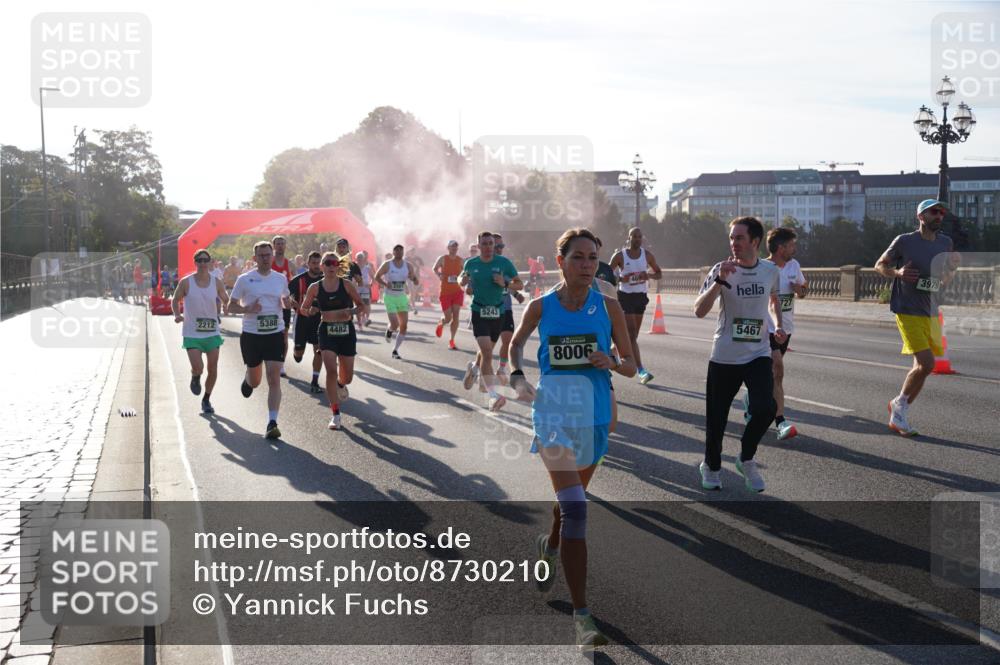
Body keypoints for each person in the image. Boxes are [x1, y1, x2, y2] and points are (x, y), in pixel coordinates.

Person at [508, 227, 635, 650]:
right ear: (560, 261)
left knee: (570, 503)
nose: (586, 265)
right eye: (578, 257)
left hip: (595, 417)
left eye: (592, 258)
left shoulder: (610, 306)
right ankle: (583, 617)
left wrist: (611, 361)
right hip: (554, 417)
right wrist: (518, 375)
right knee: (577, 508)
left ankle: (550, 542)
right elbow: (516, 344)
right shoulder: (542, 306)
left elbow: (633, 365)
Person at [694, 217, 783, 493]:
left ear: (754, 242)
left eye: (739, 238)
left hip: (758, 353)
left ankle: (746, 458)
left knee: (766, 408)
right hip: (725, 355)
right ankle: (711, 466)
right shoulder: (721, 270)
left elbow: (773, 300)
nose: (733, 243)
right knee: (717, 419)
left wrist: (778, 324)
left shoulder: (769, 270)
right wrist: (719, 281)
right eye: (731, 238)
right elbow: (698, 310)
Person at [875, 199, 961, 437]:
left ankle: (899, 406)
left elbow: (943, 281)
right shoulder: (904, 241)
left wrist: (952, 269)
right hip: (907, 308)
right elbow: (879, 265)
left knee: (922, 368)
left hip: (931, 310)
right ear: (921, 216)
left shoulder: (945, 243)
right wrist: (898, 272)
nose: (939, 216)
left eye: (942, 212)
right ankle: (900, 408)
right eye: (934, 212)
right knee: (927, 364)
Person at [746, 227, 808, 441]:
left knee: (770, 376)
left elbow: (804, 290)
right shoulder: (763, 268)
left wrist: (799, 288)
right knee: (778, 370)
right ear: (781, 248)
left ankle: (750, 399)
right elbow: (768, 302)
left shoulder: (794, 266)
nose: (794, 248)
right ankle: (780, 421)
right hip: (768, 329)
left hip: (786, 329)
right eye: (791, 245)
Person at [226, 241, 290, 440]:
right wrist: (248, 309)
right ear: (255, 258)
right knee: (255, 381)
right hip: (252, 336)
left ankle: (272, 422)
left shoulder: (280, 278)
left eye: (268, 255)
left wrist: (289, 303)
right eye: (261, 255)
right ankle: (248, 378)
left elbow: (286, 300)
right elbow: (230, 307)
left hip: (274, 334)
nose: (265, 258)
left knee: (274, 377)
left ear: (272, 256)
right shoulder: (245, 279)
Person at [300, 252, 369, 430]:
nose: (331, 266)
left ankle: (340, 384)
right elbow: (303, 308)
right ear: (322, 266)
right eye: (327, 263)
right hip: (327, 332)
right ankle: (335, 414)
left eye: (334, 263)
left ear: (338, 266)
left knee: (348, 377)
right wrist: (311, 311)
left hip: (346, 332)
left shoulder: (346, 285)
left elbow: (362, 305)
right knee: (331, 370)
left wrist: (350, 312)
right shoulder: (315, 288)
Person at [459, 231, 522, 411]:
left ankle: (473, 367)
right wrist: (463, 283)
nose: (488, 247)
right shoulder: (471, 263)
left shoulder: (504, 263)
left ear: (494, 246)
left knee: (485, 352)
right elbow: (461, 278)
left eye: (490, 244)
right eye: (484, 244)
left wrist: (506, 284)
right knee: (487, 353)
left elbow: (520, 284)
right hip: (479, 311)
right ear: (478, 246)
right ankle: (494, 396)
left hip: (498, 313)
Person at [172, 249, 229, 414]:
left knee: (213, 368)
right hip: (192, 333)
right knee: (198, 367)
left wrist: (226, 305)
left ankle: (206, 399)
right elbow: (175, 299)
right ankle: (195, 376)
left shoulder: (216, 282)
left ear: (210, 262)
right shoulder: (186, 282)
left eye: (206, 260)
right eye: (200, 260)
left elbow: (225, 298)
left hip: (212, 333)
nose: (203, 263)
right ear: (195, 262)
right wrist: (177, 314)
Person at [610, 227, 662, 385]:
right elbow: (606, 275)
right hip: (625, 297)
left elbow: (659, 273)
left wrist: (649, 275)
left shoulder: (647, 256)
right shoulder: (620, 255)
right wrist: (620, 279)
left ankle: (612, 352)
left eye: (640, 236)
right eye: (634, 236)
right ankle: (641, 370)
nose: (637, 239)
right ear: (629, 237)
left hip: (640, 297)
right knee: (631, 335)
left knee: (633, 336)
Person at [288, 251, 325, 393]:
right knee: (298, 354)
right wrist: (299, 307)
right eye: (313, 263)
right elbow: (288, 296)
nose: (316, 266)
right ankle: (297, 352)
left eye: (318, 263)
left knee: (319, 350)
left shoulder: (325, 280)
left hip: (319, 321)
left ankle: (315, 381)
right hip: (301, 319)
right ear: (308, 264)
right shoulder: (298, 280)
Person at [374, 245, 420, 359]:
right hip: (390, 297)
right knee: (395, 324)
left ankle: (395, 350)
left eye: (401, 250)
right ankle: (390, 330)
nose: (399, 252)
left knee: (404, 326)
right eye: (397, 250)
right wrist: (385, 284)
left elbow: (414, 279)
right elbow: (377, 276)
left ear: (403, 252)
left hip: (401, 297)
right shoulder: (387, 264)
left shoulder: (408, 265)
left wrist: (414, 279)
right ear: (393, 252)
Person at [493, 233, 523, 383]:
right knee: (487, 348)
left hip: (505, 308)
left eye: (502, 246)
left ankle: (501, 368)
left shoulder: (506, 263)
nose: (500, 249)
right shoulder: (480, 264)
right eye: (497, 246)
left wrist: (516, 294)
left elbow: (513, 283)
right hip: (488, 309)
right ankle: (475, 367)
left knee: (507, 339)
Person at [270, 235, 294, 378]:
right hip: (270, 304)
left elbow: (296, 283)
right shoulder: (269, 261)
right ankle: (268, 359)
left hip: (284, 304)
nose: (280, 246)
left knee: (284, 336)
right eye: (277, 243)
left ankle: (281, 364)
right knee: (271, 334)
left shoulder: (289, 264)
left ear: (285, 246)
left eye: (282, 243)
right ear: (273, 246)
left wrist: (295, 298)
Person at [434, 240, 465, 349]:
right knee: (448, 318)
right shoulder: (443, 258)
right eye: (452, 247)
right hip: (445, 292)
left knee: (456, 316)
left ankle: (452, 340)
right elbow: (435, 268)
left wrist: (462, 278)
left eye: (456, 247)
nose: (454, 249)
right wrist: (439, 275)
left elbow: (466, 272)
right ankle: (442, 323)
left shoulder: (461, 260)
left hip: (457, 291)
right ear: (448, 248)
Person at [355, 251, 373, 329]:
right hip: (356, 290)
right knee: (358, 307)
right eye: (358, 258)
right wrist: (355, 284)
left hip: (365, 290)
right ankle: (359, 322)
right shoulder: (353, 268)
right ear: (356, 259)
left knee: (366, 306)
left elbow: (373, 278)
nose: (360, 259)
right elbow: (350, 278)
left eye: (361, 258)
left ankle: (364, 318)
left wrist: (370, 284)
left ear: (363, 259)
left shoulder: (367, 268)